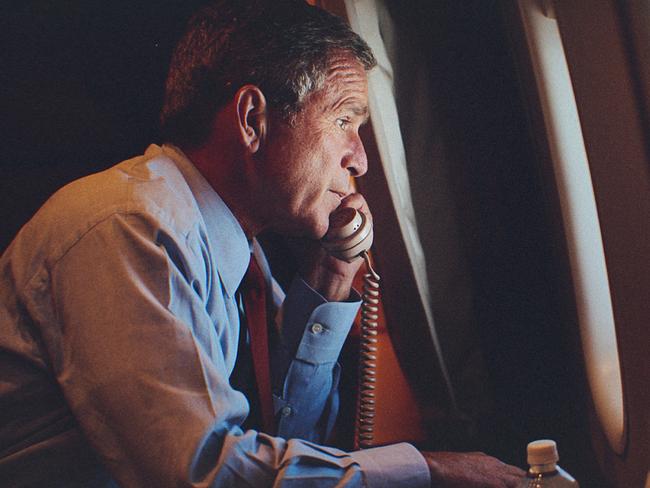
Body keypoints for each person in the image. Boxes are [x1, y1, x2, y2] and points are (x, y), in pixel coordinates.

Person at [0, 1, 525, 486]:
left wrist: (332, 277)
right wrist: (425, 470)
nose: (360, 160)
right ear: (253, 119)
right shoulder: (131, 228)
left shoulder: (239, 258)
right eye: (343, 120)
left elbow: (293, 441)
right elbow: (203, 473)